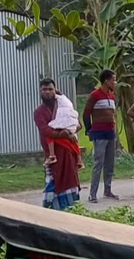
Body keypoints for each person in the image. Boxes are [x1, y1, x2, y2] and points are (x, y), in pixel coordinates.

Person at [34, 79, 81, 210]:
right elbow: (45, 130)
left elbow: (78, 124)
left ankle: (72, 209)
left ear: (55, 91)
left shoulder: (64, 107)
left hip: (68, 151)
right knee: (52, 182)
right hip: (52, 154)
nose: (47, 92)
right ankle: (50, 212)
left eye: (50, 89)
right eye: (44, 89)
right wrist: (63, 133)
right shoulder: (39, 112)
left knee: (71, 180)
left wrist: (71, 130)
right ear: (40, 92)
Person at [82, 69, 119, 203]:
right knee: (99, 163)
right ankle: (93, 194)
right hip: (99, 134)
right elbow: (86, 114)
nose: (115, 83)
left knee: (110, 163)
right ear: (106, 81)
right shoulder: (95, 95)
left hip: (110, 133)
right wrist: (89, 129)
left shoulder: (112, 96)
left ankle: (107, 190)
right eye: (113, 80)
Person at [44, 93, 82, 169]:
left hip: (65, 142)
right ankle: (79, 160)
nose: (48, 92)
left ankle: (52, 156)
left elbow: (80, 126)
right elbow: (78, 125)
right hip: (70, 129)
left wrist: (66, 132)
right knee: (75, 140)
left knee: (49, 137)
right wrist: (69, 132)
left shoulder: (58, 102)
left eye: (50, 90)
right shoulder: (68, 103)